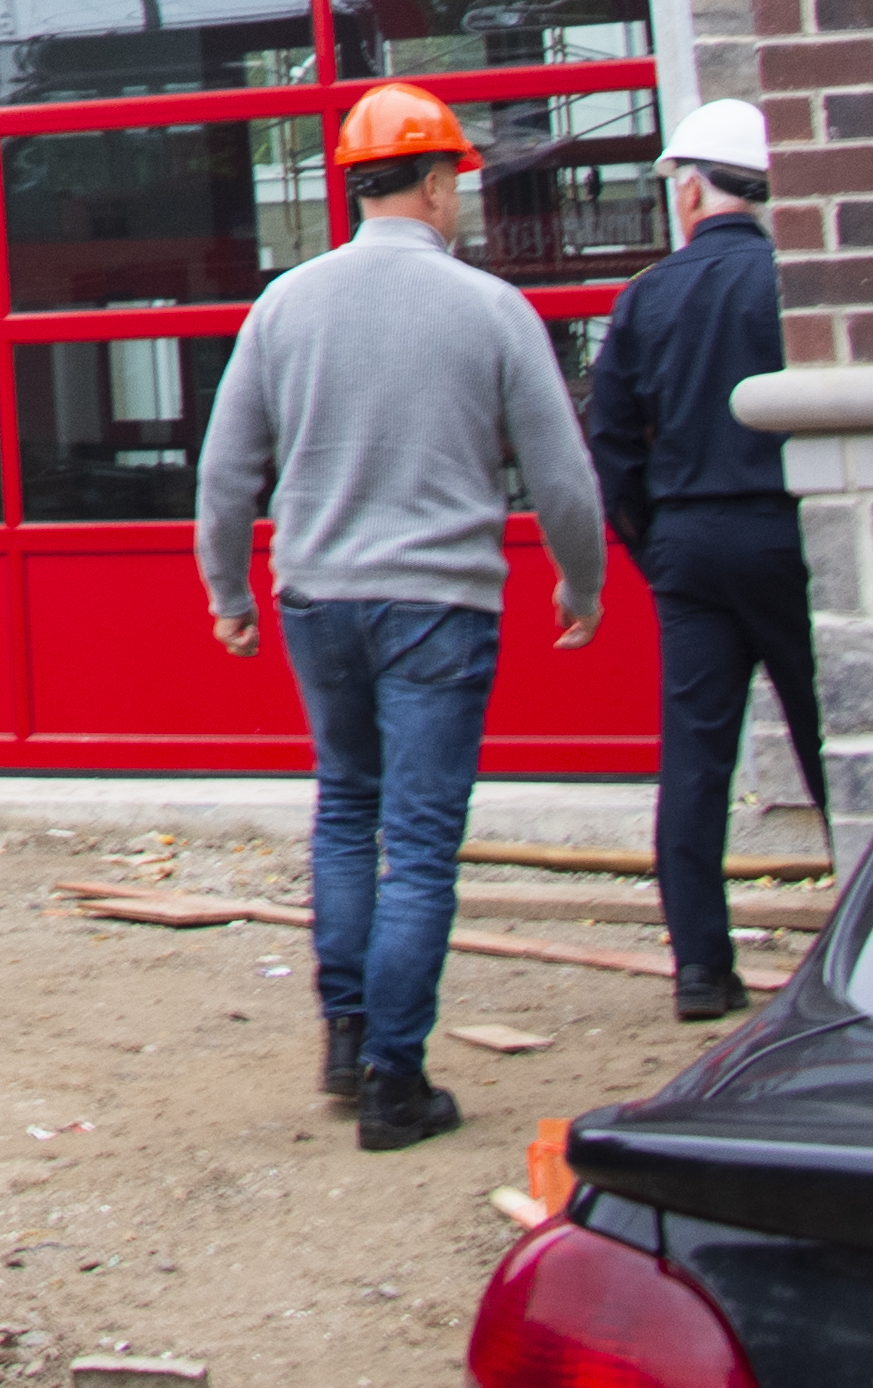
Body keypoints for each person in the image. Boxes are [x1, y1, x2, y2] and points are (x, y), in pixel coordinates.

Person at [198, 81, 608, 1154]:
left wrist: (228, 593)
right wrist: (583, 579)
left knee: (346, 807)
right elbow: (561, 474)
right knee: (419, 843)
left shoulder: (285, 303)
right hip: (438, 603)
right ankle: (395, 1078)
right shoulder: (489, 309)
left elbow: (225, 468)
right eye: (456, 181)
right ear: (431, 182)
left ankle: (345, 1037)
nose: (458, 199)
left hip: (318, 599)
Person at [585, 94, 828, 1018]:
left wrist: (657, 548)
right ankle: (868, 942)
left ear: (689, 190)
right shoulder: (789, 281)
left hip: (688, 540)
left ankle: (699, 967)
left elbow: (612, 440)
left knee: (694, 762)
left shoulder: (647, 297)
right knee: (826, 744)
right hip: (786, 531)